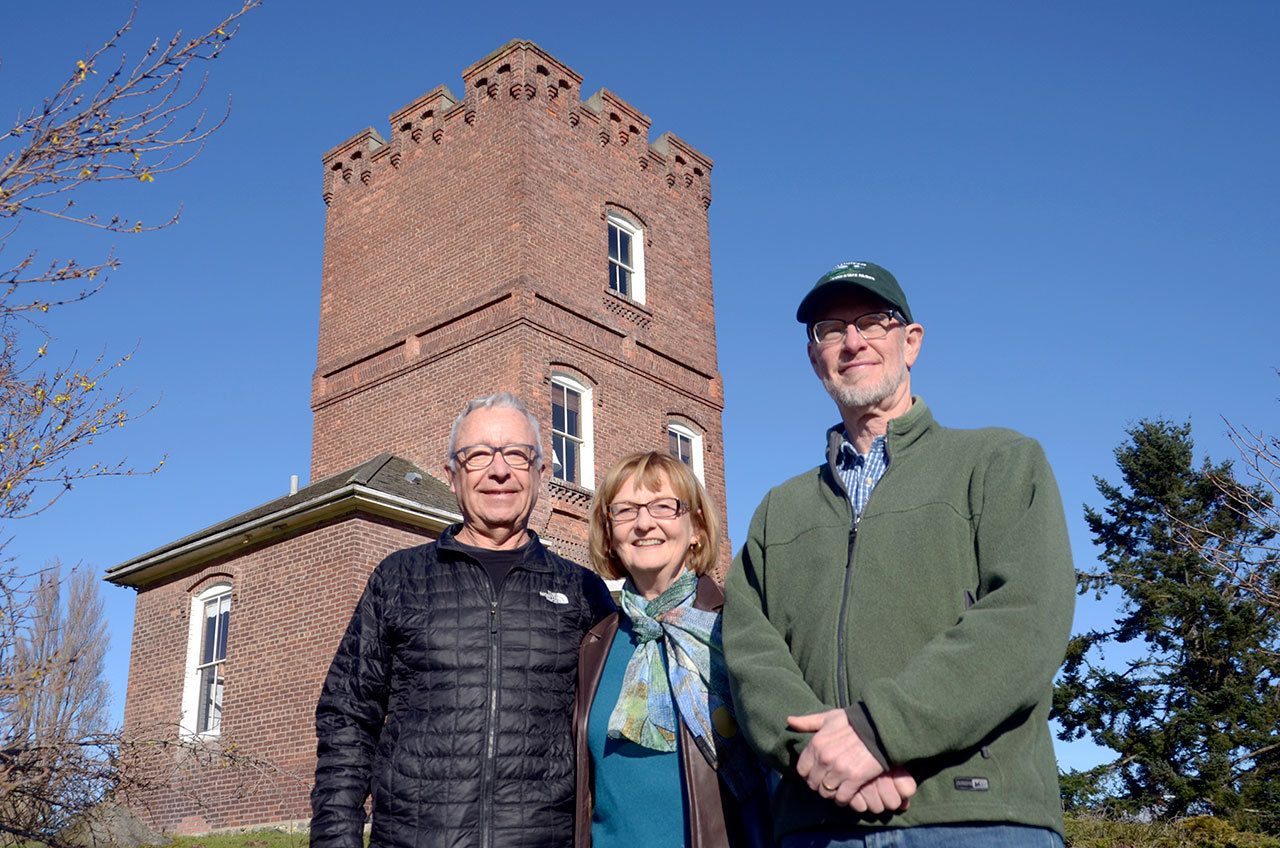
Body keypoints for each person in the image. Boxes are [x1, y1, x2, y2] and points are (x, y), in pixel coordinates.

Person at [723, 261, 1076, 847]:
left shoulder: (1000, 462)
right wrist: (820, 754)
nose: (852, 341)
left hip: (978, 819)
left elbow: (1027, 616)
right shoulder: (777, 511)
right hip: (818, 825)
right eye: (830, 329)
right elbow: (749, 652)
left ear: (910, 342)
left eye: (871, 321)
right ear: (815, 358)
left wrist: (877, 732)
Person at [311, 392, 615, 848]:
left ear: (540, 473)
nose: (499, 470)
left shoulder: (583, 592)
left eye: (517, 454)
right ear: (453, 476)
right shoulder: (399, 578)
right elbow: (348, 718)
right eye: (478, 456)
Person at [575, 451, 768, 848]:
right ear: (610, 535)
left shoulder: (737, 629)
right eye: (625, 511)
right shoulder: (594, 646)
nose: (645, 523)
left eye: (664, 506)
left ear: (695, 526)